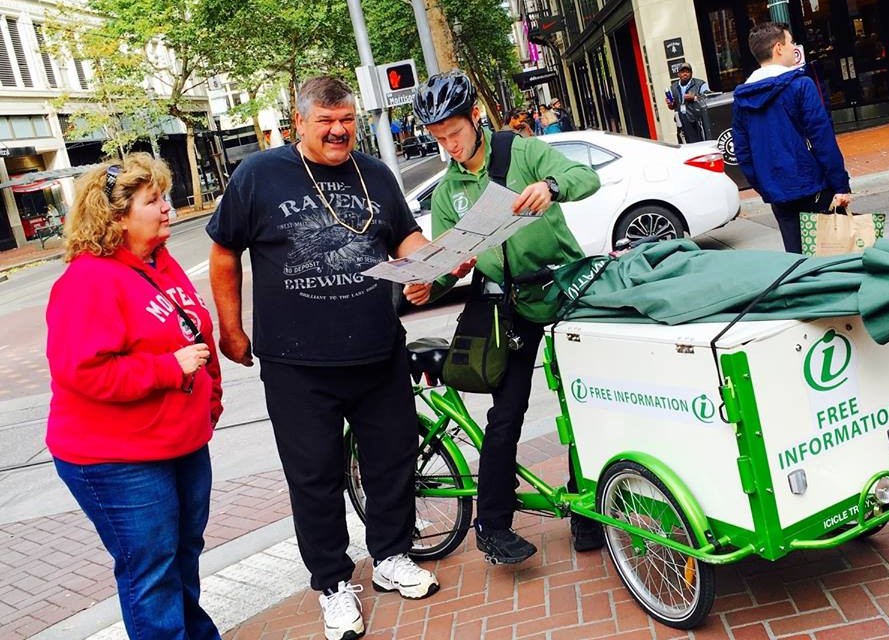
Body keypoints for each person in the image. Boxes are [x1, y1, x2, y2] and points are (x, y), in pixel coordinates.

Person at [205, 76, 465, 640]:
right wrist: (230, 327)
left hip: (377, 352)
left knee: (392, 462)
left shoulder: (374, 174)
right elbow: (224, 252)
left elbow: (405, 241)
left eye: (346, 118)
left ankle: (392, 557)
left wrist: (435, 266)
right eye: (325, 121)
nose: (338, 130)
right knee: (315, 478)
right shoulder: (258, 175)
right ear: (298, 123)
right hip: (296, 365)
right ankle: (332, 584)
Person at [407, 70, 604, 565]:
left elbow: (588, 177)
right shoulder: (448, 191)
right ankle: (492, 527)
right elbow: (447, 264)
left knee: (585, 402)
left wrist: (551, 186)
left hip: (561, 289)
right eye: (438, 139)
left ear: (475, 117)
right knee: (506, 414)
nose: (449, 146)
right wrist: (434, 279)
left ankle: (590, 510)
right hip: (504, 308)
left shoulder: (521, 151)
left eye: (453, 132)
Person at [46, 154, 223, 639]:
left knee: (182, 556)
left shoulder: (161, 266)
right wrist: (167, 370)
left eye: (164, 197)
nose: (168, 208)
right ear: (116, 217)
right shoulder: (88, 281)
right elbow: (82, 371)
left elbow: (197, 336)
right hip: (116, 458)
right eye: (154, 201)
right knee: (151, 572)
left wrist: (209, 404)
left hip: (180, 444)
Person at [732, 22, 852, 254]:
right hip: (812, 185)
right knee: (829, 257)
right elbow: (822, 138)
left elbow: (743, 152)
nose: (793, 48)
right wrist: (840, 184)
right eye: (790, 43)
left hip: (777, 191)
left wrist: (764, 185)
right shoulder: (800, 85)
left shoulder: (742, 97)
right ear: (778, 48)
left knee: (796, 258)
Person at [666, 62, 710, 143]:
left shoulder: (700, 84)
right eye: (682, 72)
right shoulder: (673, 87)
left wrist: (694, 97)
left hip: (697, 120)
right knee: (685, 144)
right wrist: (670, 104)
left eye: (687, 71)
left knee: (700, 143)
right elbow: (672, 106)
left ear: (691, 73)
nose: (685, 74)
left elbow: (708, 98)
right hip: (681, 122)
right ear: (678, 74)